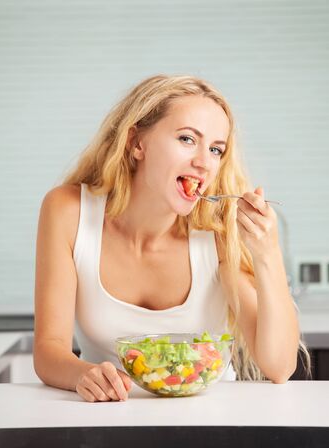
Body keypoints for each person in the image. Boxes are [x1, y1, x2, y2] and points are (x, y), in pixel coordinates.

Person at [33, 74, 311, 403]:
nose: (204, 163)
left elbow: (279, 366)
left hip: (212, 420)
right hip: (111, 415)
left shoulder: (216, 230)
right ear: (137, 143)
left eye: (216, 149)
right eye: (186, 139)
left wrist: (268, 254)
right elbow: (49, 350)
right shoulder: (68, 212)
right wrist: (83, 374)